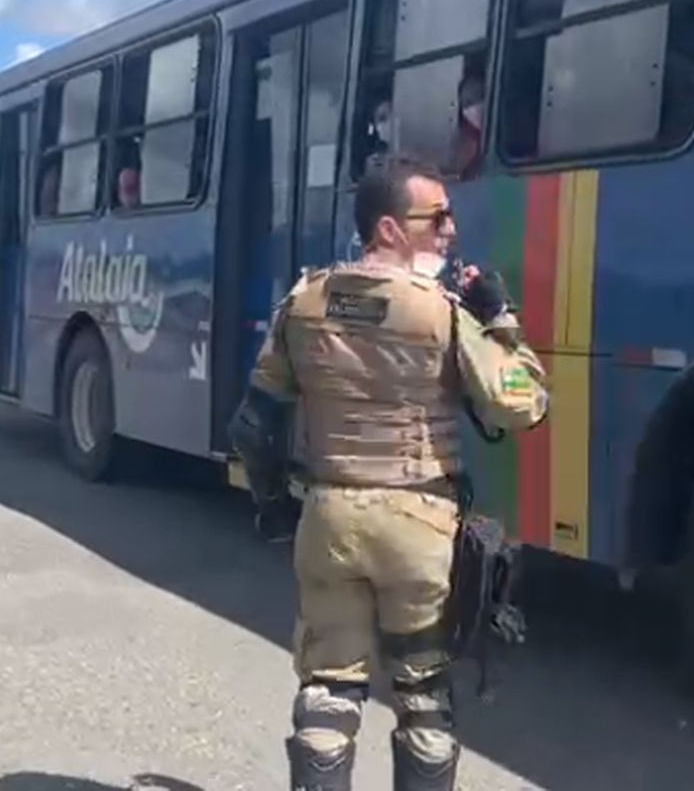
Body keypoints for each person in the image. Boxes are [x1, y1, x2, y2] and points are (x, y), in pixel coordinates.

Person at [231, 163, 549, 790]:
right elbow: (524, 403)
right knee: (423, 697)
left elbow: (253, 423)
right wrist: (502, 317)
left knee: (327, 692)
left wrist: (273, 508)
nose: (450, 230)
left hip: (328, 517)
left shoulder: (305, 300)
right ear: (388, 227)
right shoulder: (445, 312)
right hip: (418, 526)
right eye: (437, 218)